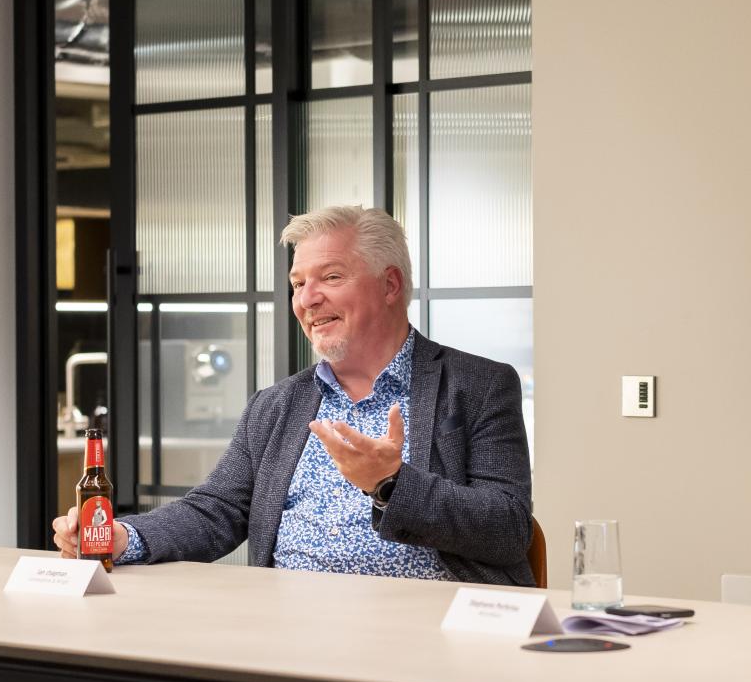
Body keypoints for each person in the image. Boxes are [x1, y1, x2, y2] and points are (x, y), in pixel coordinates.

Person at [53, 206, 534, 586]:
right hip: (288, 631)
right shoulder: (277, 404)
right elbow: (217, 510)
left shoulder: (478, 386)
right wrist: (122, 537)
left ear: (390, 285)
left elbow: (508, 529)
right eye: (298, 284)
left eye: (330, 277)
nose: (306, 300)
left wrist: (391, 484)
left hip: (432, 634)